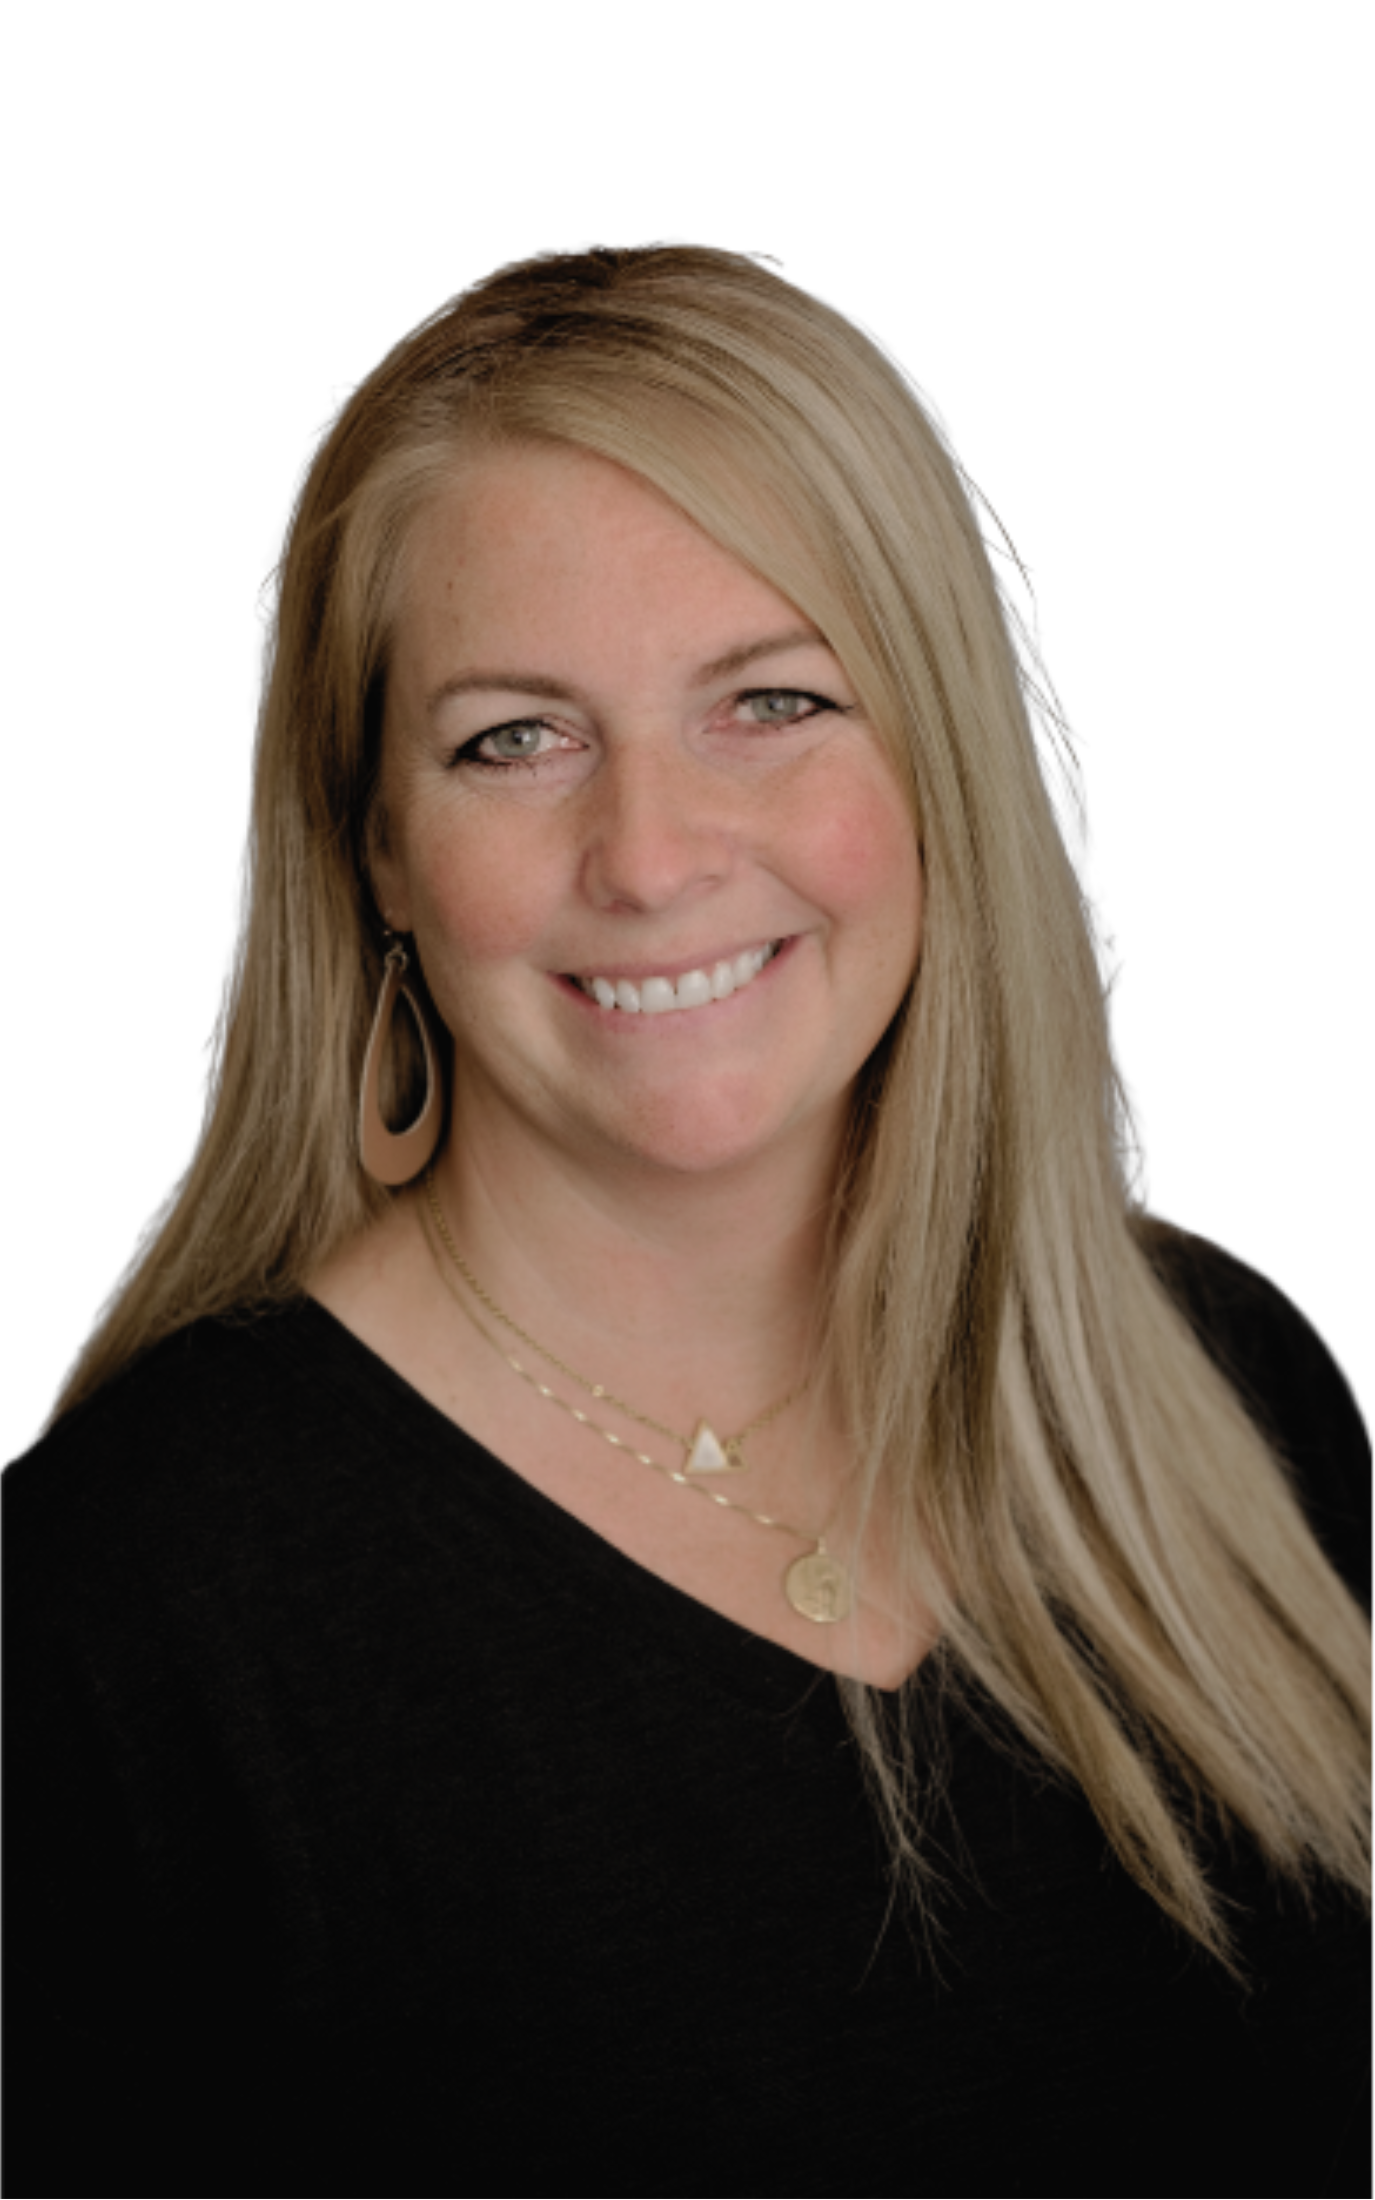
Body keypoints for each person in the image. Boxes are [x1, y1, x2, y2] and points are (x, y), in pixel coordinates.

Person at [1, 245, 1369, 2200]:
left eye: (772, 700)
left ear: (941, 767)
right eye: (513, 737)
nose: (648, 855)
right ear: (374, 838)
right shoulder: (119, 1615)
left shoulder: (1234, 1391)